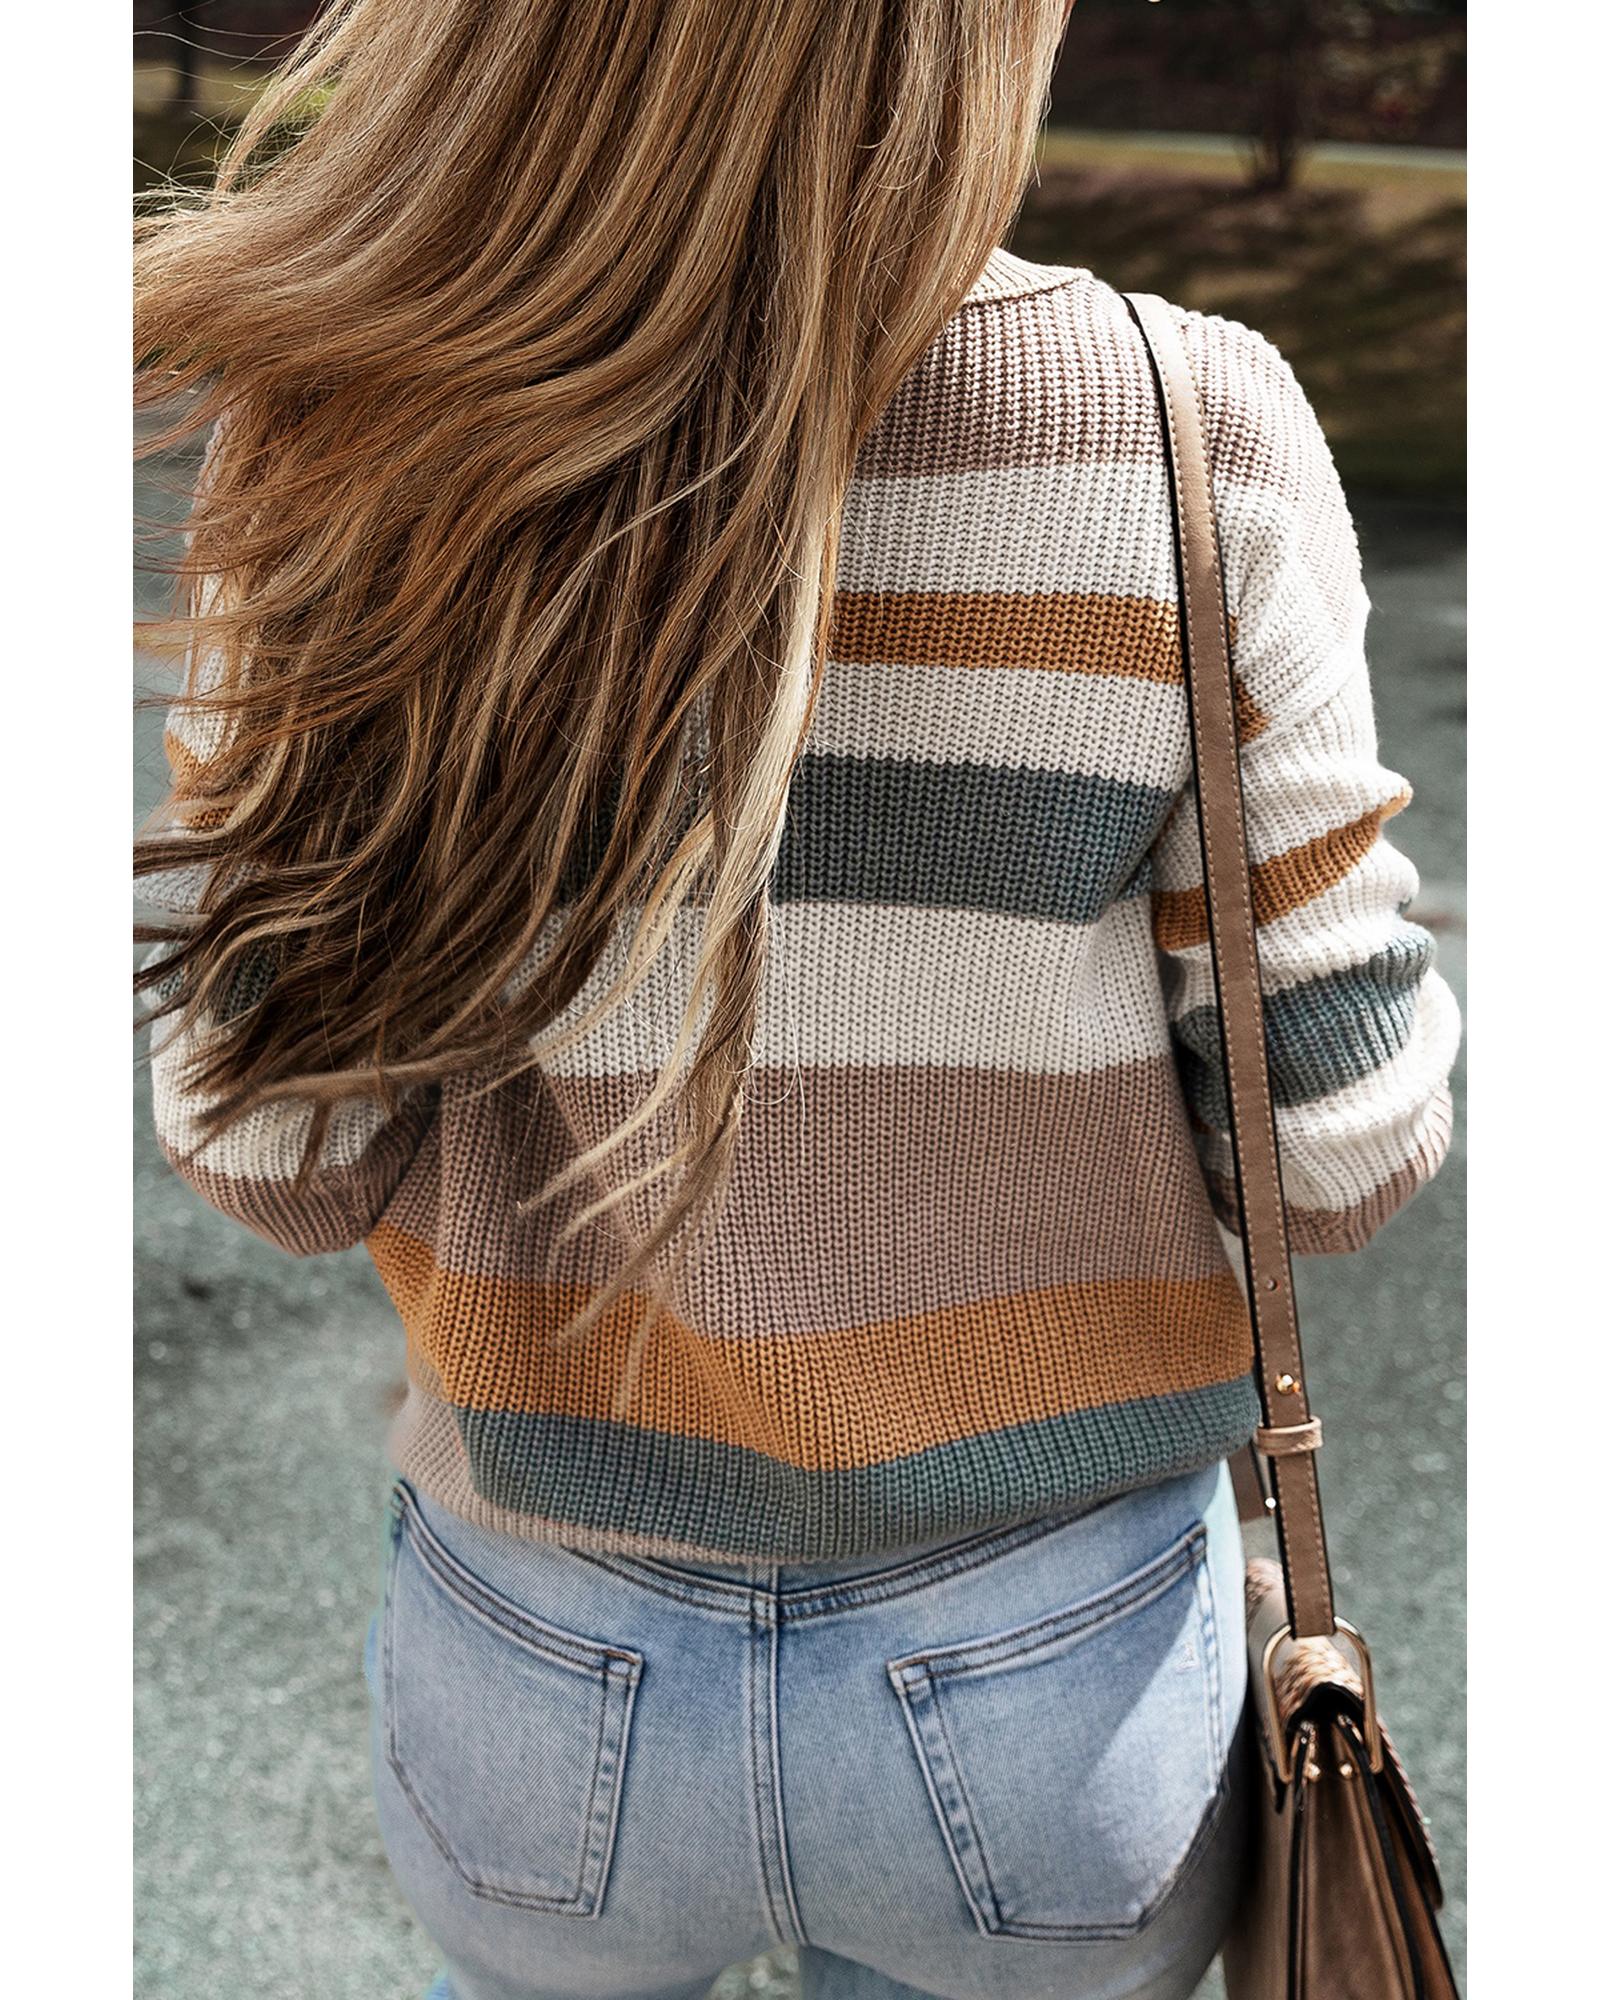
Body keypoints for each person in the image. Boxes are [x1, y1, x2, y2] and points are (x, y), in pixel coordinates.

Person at [133, 4, 1460, 1997]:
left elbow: (271, 1155)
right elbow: (1341, 1152)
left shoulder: (338, 429)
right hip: (1053, 1676)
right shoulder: (1190, 429)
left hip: (543, 1655)